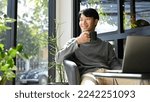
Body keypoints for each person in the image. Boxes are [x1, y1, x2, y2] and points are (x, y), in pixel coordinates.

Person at [55, 8, 122, 85]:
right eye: (81, 20)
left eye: (87, 19)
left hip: (107, 74)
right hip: (89, 76)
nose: (83, 22)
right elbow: (58, 58)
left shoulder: (106, 45)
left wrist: (122, 73)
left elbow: (114, 64)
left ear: (95, 22)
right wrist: (78, 42)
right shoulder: (74, 42)